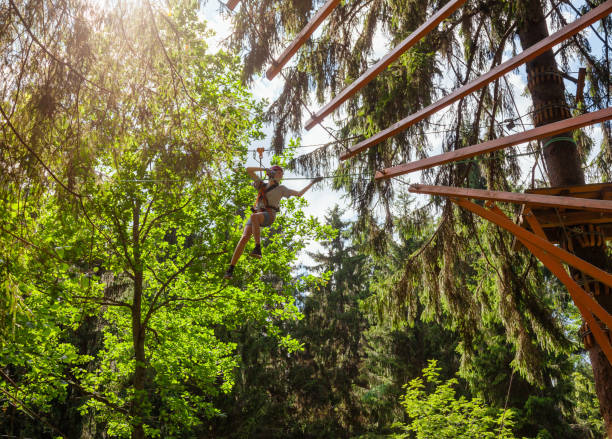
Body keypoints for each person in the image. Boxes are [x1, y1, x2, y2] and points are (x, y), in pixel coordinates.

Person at [224, 165, 323, 279]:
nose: (281, 175)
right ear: (271, 173)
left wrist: (312, 182)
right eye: (278, 173)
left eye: (282, 174)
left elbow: (299, 194)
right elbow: (248, 170)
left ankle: (258, 248)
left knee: (254, 216)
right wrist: (264, 169)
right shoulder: (261, 185)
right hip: (258, 214)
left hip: (269, 215)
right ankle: (230, 269)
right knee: (244, 237)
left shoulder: (282, 189)